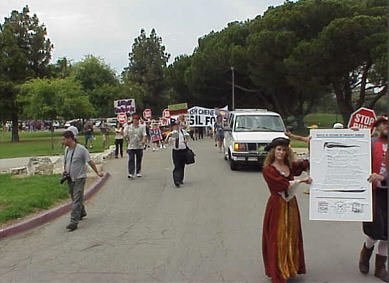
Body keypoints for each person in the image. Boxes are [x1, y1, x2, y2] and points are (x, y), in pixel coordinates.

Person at [262, 137, 311, 283]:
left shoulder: (290, 165)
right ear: (273, 151)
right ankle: (278, 271)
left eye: (284, 150)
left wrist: (314, 143)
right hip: (277, 205)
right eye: (278, 149)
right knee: (277, 237)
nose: (281, 152)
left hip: (291, 205)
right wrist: (302, 181)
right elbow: (282, 185)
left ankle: (290, 266)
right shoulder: (268, 170)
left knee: (292, 234)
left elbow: (305, 164)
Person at [359, 116, 388, 282]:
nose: (386, 127)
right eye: (384, 124)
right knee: (375, 231)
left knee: (387, 233)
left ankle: (380, 268)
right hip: (373, 193)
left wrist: (384, 178)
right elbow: (353, 153)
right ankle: (365, 254)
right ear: (377, 127)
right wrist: (354, 136)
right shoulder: (369, 143)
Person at [61, 131, 104, 231]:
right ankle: (82, 212)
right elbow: (66, 161)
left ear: (70, 138)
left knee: (76, 199)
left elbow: (90, 161)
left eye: (64, 139)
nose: (63, 141)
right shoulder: (67, 149)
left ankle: (73, 222)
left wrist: (97, 172)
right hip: (70, 178)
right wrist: (64, 171)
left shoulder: (81, 149)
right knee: (74, 197)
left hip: (80, 178)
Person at [165, 121, 190, 188]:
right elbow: (166, 142)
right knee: (177, 166)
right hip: (176, 151)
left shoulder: (182, 131)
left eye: (177, 125)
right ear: (172, 127)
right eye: (175, 126)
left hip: (183, 150)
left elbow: (187, 136)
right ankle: (176, 180)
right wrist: (168, 137)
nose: (176, 127)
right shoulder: (171, 133)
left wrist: (186, 140)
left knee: (182, 165)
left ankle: (181, 178)